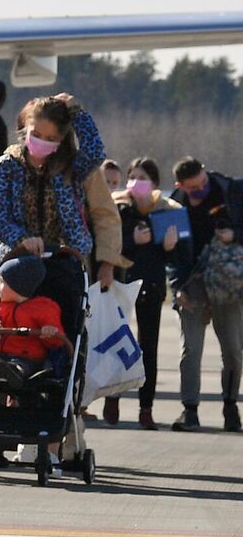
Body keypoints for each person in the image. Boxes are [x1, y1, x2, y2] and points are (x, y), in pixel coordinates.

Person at [0, 97, 120, 346]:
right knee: (10, 317)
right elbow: (0, 217)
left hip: (64, 257)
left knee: (64, 317)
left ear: (61, 140)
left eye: (50, 138)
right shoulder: (6, 165)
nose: (42, 142)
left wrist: (77, 113)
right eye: (36, 134)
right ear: (24, 128)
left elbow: (95, 152)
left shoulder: (71, 167)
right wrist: (22, 239)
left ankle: (61, 366)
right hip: (18, 259)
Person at [168, 158, 243, 431]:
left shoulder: (231, 191)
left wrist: (234, 235)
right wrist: (177, 288)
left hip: (227, 282)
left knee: (233, 350)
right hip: (193, 283)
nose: (200, 189)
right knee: (191, 350)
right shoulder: (175, 204)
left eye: (202, 183)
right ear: (180, 186)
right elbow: (172, 256)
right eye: (193, 188)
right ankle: (190, 410)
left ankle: (230, 405)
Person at [107, 158, 178, 428]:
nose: (136, 182)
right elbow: (109, 244)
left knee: (148, 347)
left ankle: (145, 408)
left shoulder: (165, 211)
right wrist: (132, 241)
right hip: (121, 284)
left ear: (156, 184)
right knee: (117, 344)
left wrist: (170, 247)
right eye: (133, 176)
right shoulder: (118, 209)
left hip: (152, 286)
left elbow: (180, 254)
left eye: (143, 177)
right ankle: (112, 395)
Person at [0, 254, 66, 391]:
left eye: (1, 282)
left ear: (17, 286)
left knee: (22, 366)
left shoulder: (44, 308)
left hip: (28, 358)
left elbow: (57, 339)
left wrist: (50, 332)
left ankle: (13, 372)